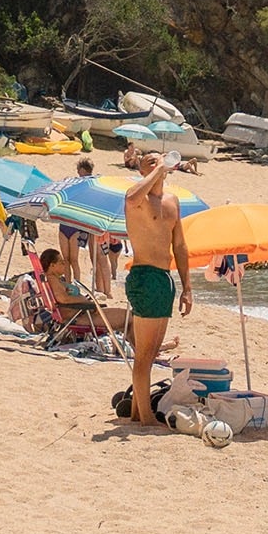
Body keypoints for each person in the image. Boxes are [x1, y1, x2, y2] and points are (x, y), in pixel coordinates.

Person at [120, 154, 194, 431]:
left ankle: (139, 412)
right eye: (149, 161)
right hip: (144, 276)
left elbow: (181, 247)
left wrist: (187, 287)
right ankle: (146, 416)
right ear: (141, 169)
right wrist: (156, 171)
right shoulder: (136, 197)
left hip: (164, 278)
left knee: (151, 354)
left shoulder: (172, 202)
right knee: (143, 353)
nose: (156, 162)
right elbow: (130, 199)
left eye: (159, 159)